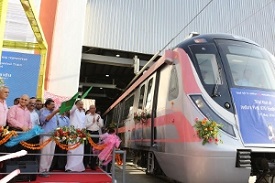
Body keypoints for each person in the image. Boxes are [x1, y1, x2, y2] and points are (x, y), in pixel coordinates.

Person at [7, 94, 32, 161]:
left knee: (22, 152)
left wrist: (29, 128)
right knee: (12, 151)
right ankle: (10, 168)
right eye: (22, 99)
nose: (23, 101)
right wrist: (22, 126)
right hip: (15, 132)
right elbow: (10, 119)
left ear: (28, 102)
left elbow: (29, 122)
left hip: (24, 134)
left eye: (25, 100)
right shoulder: (14, 108)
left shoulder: (27, 111)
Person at [39, 99, 60, 177]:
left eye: (54, 104)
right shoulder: (43, 111)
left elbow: (56, 124)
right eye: (51, 104)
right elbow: (46, 119)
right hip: (46, 135)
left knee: (51, 154)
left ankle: (47, 169)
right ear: (47, 105)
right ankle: (42, 170)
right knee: (45, 154)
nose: (53, 106)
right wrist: (55, 112)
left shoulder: (55, 114)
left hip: (53, 136)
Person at [65, 100, 86, 172]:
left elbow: (84, 123)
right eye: (79, 104)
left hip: (81, 134)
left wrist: (83, 132)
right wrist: (75, 105)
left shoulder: (83, 113)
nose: (81, 106)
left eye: (82, 104)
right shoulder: (73, 111)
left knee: (80, 151)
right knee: (72, 150)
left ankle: (79, 167)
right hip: (73, 133)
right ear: (76, 105)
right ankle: (70, 167)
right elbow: (70, 111)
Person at [84, 104, 103, 170]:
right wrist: (92, 122)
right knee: (86, 149)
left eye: (94, 108)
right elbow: (85, 126)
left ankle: (93, 164)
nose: (93, 109)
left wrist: (97, 121)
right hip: (88, 132)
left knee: (95, 150)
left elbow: (101, 125)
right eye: (91, 108)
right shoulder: (86, 116)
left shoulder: (98, 116)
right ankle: (85, 164)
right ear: (89, 109)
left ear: (95, 109)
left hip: (95, 133)